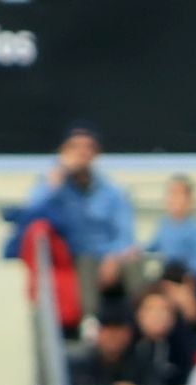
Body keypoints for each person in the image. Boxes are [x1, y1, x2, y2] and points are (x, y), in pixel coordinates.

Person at [19, 125, 137, 315]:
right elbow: (31, 215)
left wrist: (114, 256)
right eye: (75, 147)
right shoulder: (54, 186)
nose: (82, 153)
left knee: (135, 261)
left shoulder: (112, 191)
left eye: (88, 147)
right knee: (86, 262)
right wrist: (54, 182)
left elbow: (125, 233)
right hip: (76, 257)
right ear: (63, 152)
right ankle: (89, 324)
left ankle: (139, 323)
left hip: (108, 256)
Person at [128, 285, 195, 385]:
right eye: (151, 309)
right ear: (138, 314)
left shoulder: (182, 351)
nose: (158, 315)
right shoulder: (126, 348)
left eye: (165, 309)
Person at [149, 175, 196, 279]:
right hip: (164, 275)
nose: (174, 199)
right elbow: (153, 247)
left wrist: (189, 273)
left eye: (179, 194)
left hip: (186, 278)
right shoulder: (163, 224)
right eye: (171, 193)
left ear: (190, 200)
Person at [69, 299, 139, 385]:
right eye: (107, 329)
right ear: (98, 332)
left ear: (128, 334)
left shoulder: (139, 361)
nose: (112, 336)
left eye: (117, 330)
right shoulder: (82, 364)